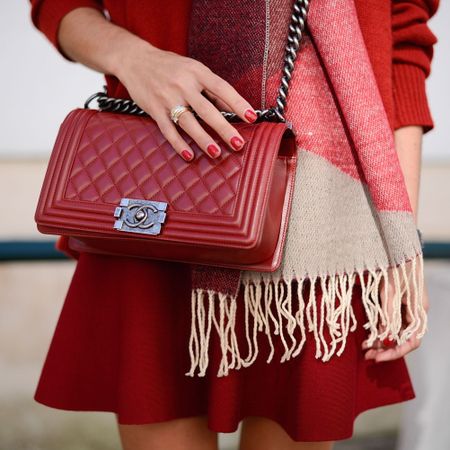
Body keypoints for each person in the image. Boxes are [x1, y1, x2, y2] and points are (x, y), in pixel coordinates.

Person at [29, 1, 438, 449]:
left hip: (321, 229)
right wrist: (134, 58)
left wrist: (399, 241)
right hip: (160, 192)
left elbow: (402, 39)